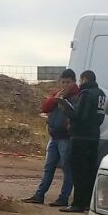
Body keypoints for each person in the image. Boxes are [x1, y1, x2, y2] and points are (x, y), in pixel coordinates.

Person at [24, 69, 78, 206]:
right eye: (63, 82)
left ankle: (64, 197)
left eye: (68, 82)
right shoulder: (57, 94)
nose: (65, 85)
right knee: (49, 167)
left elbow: (74, 113)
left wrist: (65, 103)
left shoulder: (77, 96)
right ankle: (39, 194)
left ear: (74, 82)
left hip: (66, 137)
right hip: (54, 136)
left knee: (67, 167)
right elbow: (45, 108)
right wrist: (55, 99)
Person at [59, 69, 106, 213]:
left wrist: (64, 107)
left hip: (81, 136)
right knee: (90, 170)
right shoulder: (101, 94)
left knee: (78, 170)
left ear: (84, 79)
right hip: (94, 135)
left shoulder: (86, 94)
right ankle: (87, 202)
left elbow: (78, 115)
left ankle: (77, 203)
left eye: (80, 80)